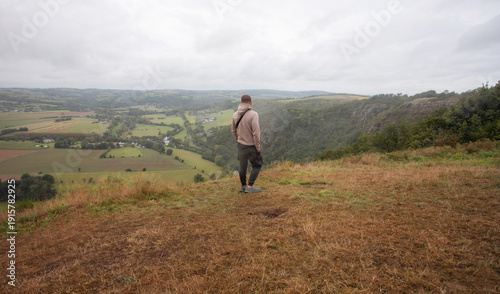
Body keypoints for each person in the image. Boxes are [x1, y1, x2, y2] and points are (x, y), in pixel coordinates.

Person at [232, 94, 263, 193]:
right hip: (251, 145)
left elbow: (233, 131)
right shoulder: (253, 114)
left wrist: (238, 140)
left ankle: (243, 186)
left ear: (241, 102)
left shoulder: (235, 114)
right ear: (250, 102)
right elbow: (256, 132)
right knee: (257, 165)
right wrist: (257, 146)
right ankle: (249, 187)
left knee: (242, 166)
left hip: (241, 145)